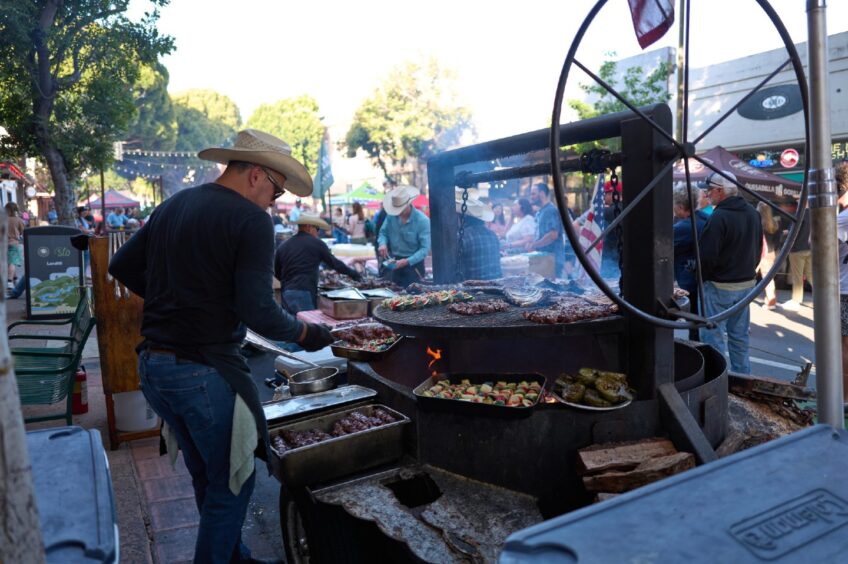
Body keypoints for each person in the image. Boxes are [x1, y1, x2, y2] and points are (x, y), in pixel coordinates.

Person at [108, 128, 335, 563]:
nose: (276, 198)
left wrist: (172, 299)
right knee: (233, 482)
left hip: (155, 368)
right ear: (255, 174)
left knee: (209, 477)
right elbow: (259, 311)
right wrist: (308, 334)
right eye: (276, 187)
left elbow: (123, 264)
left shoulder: (175, 203)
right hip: (201, 372)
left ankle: (235, 558)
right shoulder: (252, 220)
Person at [698, 171, 762, 374]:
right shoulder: (752, 212)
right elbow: (758, 249)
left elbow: (707, 257)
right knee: (739, 337)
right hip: (746, 286)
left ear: (720, 190)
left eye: (709, 191)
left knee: (712, 338)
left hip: (720, 287)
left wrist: (702, 276)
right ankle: (743, 378)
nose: (707, 194)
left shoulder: (719, 216)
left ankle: (717, 380)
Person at [274, 212, 361, 314]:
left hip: (286, 293)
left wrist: (288, 281)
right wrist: (354, 274)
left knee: (291, 326)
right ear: (309, 227)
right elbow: (335, 264)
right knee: (308, 325)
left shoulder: (284, 246)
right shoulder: (317, 243)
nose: (318, 232)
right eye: (317, 229)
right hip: (304, 292)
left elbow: (276, 271)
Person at [671, 186, 709, 340]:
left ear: (680, 206)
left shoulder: (682, 228)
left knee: (694, 326)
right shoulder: (706, 219)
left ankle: (699, 352)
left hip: (689, 283)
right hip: (704, 279)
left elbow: (664, 252)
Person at [377, 185, 431, 287]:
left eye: (400, 209)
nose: (397, 212)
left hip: (414, 266)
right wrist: (382, 244)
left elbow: (425, 249)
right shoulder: (391, 216)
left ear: (409, 203)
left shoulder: (423, 221)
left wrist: (406, 261)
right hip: (395, 263)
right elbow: (383, 233)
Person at [455, 192, 502, 280]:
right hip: (496, 286)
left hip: (474, 289)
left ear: (463, 217)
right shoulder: (493, 235)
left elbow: (457, 269)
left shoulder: (463, 237)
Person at [525, 183, 565, 278]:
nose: (531, 197)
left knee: (551, 291)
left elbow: (553, 235)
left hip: (552, 261)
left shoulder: (550, 210)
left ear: (542, 193)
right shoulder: (541, 211)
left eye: (533, 194)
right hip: (545, 260)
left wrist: (534, 245)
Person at [781, 201, 812, 311]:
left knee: (797, 276)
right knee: (810, 275)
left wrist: (785, 232)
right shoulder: (814, 214)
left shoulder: (799, 214)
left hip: (797, 249)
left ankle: (796, 300)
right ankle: (821, 296)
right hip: (810, 249)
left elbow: (792, 231)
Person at [835, 162, 848, 408]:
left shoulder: (843, 218)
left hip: (846, 290)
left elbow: (816, 244)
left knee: (844, 346)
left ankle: (845, 398)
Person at [756, 201, 780, 310]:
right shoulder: (774, 223)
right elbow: (777, 241)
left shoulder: (756, 222)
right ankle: (771, 301)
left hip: (758, 253)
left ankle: (742, 300)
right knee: (768, 279)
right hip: (771, 252)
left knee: (748, 278)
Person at [601, 180, 623, 278]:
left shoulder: (607, 212)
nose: (603, 196)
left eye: (605, 193)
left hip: (611, 261)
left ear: (612, 194)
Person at [5, 202, 24, 291]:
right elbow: (22, 231)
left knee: (10, 262)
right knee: (12, 263)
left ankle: (15, 279)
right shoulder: (18, 220)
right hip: (14, 243)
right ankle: (9, 282)